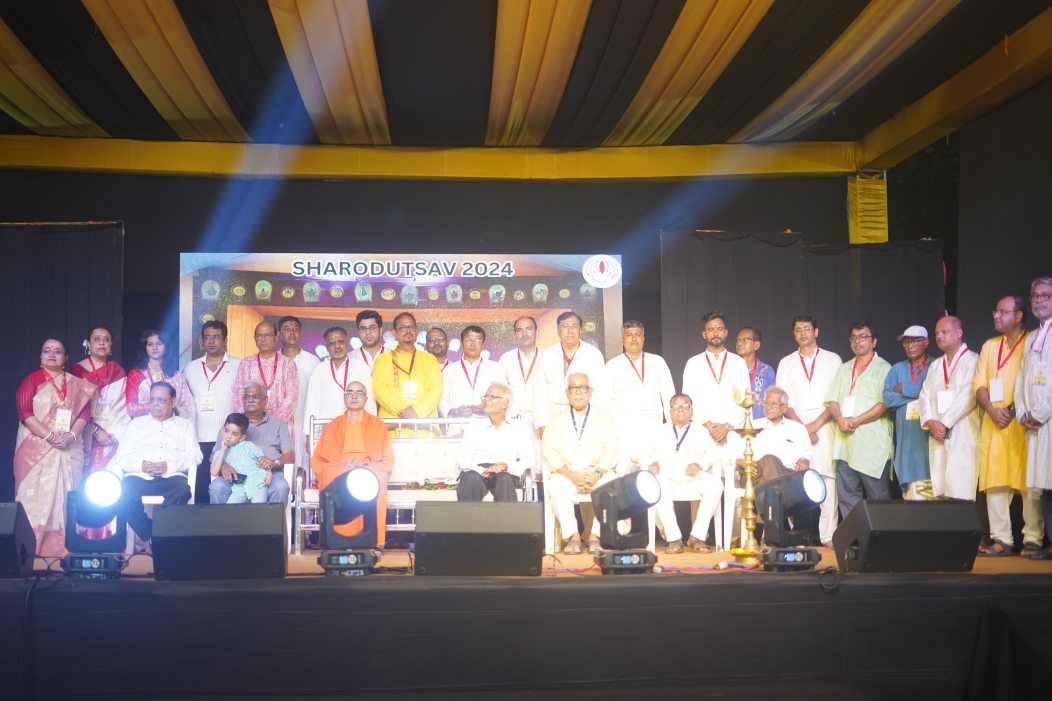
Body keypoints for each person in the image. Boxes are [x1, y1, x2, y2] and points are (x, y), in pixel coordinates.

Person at [14, 337, 95, 556]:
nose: (51, 354)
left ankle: (65, 546)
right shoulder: (31, 380)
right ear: (40, 355)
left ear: (66, 357)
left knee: (68, 496)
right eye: (47, 350)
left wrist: (70, 435)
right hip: (34, 450)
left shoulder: (77, 384)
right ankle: (28, 547)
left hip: (69, 448)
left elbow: (85, 412)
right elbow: (25, 413)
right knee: (33, 497)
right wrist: (50, 436)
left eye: (58, 351)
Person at [976, 296, 1042, 556]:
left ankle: (1033, 538)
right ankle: (1001, 539)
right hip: (995, 424)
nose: (996, 315)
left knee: (1029, 484)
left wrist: (1013, 410)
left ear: (1019, 316)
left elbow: (1036, 382)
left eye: (1002, 311)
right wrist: (992, 410)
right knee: (995, 483)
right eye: (995, 311)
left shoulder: (1034, 342)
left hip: (1025, 422)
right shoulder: (990, 346)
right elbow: (979, 384)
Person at [775, 316, 842, 546]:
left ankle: (828, 535)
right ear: (794, 335)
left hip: (826, 427)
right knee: (797, 480)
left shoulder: (833, 359)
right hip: (795, 429)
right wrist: (803, 429)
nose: (803, 333)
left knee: (828, 479)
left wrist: (815, 426)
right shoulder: (786, 363)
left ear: (816, 331)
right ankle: (797, 534)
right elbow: (784, 401)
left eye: (807, 328)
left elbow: (836, 398)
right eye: (798, 330)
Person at [112, 382, 201, 544]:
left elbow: (195, 455)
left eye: (161, 400)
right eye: (152, 399)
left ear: (173, 402)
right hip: (139, 476)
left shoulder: (185, 425)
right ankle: (156, 537)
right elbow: (121, 457)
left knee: (182, 491)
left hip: (171, 476)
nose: (155, 404)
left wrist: (169, 466)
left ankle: (160, 535)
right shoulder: (136, 424)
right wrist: (141, 465)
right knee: (121, 493)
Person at [633, 393, 722, 554]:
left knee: (716, 485)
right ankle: (674, 539)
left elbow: (715, 454)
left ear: (691, 411)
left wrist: (700, 464)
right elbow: (636, 453)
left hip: (693, 478)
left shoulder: (701, 431)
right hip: (667, 478)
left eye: (685, 406)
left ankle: (696, 537)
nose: (680, 410)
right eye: (675, 407)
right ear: (670, 411)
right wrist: (651, 461)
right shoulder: (660, 430)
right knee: (657, 484)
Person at [542, 372, 620, 555]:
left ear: (590, 391)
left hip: (597, 472)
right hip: (568, 474)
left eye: (583, 387)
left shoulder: (604, 417)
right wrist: (571, 475)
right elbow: (549, 450)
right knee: (556, 488)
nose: (578, 392)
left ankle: (595, 536)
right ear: (567, 393)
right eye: (573, 388)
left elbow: (612, 449)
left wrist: (596, 474)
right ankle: (573, 536)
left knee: (611, 486)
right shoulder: (556, 419)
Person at [311, 381, 394, 548]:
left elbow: (388, 460)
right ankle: (335, 538)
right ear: (344, 398)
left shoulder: (378, 425)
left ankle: (374, 540)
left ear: (366, 399)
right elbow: (318, 462)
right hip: (340, 468)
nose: (354, 396)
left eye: (359, 393)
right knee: (329, 472)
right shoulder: (332, 427)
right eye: (350, 392)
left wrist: (369, 467)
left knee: (378, 474)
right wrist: (341, 465)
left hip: (367, 469)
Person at [826, 322, 893, 520]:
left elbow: (884, 404)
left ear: (874, 341)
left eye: (863, 336)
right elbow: (832, 400)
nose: (857, 341)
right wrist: (839, 418)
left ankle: (882, 537)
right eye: (854, 337)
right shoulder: (844, 368)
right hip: (845, 445)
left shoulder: (884, 368)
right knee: (848, 499)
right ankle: (854, 538)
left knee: (878, 499)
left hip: (871, 445)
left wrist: (856, 421)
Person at [919, 317, 981, 501]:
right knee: (942, 490)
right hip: (938, 432)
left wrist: (944, 423)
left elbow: (969, 395)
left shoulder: (973, 360)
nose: (939, 336)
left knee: (961, 489)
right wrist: (930, 422)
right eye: (937, 333)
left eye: (944, 332)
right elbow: (924, 395)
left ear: (959, 332)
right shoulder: (936, 365)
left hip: (962, 431)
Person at [681, 311, 750, 474]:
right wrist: (711, 427)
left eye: (719, 329)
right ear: (704, 334)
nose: (716, 333)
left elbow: (744, 400)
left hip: (732, 432)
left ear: (726, 332)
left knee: (733, 479)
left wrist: (726, 426)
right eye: (711, 329)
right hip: (704, 431)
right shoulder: (693, 363)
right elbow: (689, 401)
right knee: (704, 479)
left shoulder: (738, 363)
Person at [208, 381, 294, 505]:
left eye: (255, 396)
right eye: (246, 397)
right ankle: (221, 519)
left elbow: (290, 456)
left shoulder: (278, 424)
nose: (250, 400)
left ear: (265, 400)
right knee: (216, 487)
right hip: (236, 476)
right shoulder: (231, 426)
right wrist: (224, 465)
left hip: (269, 474)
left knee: (281, 487)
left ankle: (274, 519)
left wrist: (273, 463)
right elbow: (214, 455)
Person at [182, 320, 240, 503]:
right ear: (202, 341)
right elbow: (183, 403)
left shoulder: (238, 365)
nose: (212, 341)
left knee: (224, 488)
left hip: (228, 441)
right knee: (200, 489)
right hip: (198, 437)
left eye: (216, 337)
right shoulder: (191, 368)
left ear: (225, 340)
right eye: (207, 337)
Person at [607, 321, 675, 473]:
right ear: (622, 339)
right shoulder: (612, 365)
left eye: (637, 335)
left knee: (654, 473)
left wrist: (671, 428)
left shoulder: (658, 362)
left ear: (644, 338)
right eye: (629, 335)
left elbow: (668, 396)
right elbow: (605, 401)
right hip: (623, 431)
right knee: (625, 474)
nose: (634, 339)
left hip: (653, 428)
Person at [1016, 277, 1052, 559]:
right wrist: (1023, 412)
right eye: (1035, 296)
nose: (1039, 300)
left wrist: (1039, 413)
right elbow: (1021, 379)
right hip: (1035, 425)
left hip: (1048, 420)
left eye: (1045, 295)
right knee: (1044, 487)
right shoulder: (1030, 338)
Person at [533, 312, 610, 438]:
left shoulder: (594, 354)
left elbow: (603, 392)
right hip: (553, 418)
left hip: (587, 420)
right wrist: (541, 424)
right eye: (565, 327)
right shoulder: (547, 355)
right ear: (558, 331)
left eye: (574, 327)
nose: (570, 331)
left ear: (580, 330)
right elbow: (538, 393)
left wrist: (600, 421)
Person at [455, 382, 534, 501]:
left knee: (504, 478)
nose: (487, 400)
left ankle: (506, 515)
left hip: (504, 472)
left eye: (492, 396)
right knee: (471, 477)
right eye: (486, 396)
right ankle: (468, 514)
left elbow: (529, 460)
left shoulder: (519, 427)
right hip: (477, 471)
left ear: (505, 403)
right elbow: (462, 459)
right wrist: (481, 471)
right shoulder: (474, 426)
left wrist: (507, 467)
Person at [304, 327, 375, 452]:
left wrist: (371, 429)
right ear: (326, 347)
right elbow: (311, 403)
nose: (337, 346)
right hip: (325, 431)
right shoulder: (319, 369)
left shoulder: (361, 367)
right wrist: (309, 434)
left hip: (356, 430)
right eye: (332, 343)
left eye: (341, 341)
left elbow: (369, 402)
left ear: (347, 343)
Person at [882, 325, 933, 500]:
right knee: (912, 502)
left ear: (926, 342)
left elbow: (936, 394)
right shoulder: (897, 369)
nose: (910, 346)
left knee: (933, 501)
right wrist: (921, 393)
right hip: (907, 446)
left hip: (930, 442)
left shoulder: (936, 365)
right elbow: (888, 400)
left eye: (915, 341)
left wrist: (904, 388)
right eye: (906, 342)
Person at [71, 324, 130, 476]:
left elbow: (123, 409)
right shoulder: (77, 371)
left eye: (106, 339)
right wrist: (95, 431)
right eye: (97, 339)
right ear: (88, 343)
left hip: (111, 435)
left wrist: (113, 434)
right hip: (83, 433)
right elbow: (74, 407)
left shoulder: (118, 371)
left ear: (111, 344)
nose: (102, 343)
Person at [372, 312, 442, 432]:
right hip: (393, 426)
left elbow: (436, 390)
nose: (408, 330)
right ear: (394, 333)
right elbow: (379, 390)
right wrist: (403, 410)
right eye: (403, 327)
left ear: (416, 332)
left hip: (424, 427)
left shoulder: (430, 359)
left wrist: (417, 411)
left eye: (411, 327)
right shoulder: (382, 360)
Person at [233, 321, 298, 441]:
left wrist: (273, 423)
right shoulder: (245, 364)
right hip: (251, 427)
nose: (263, 339)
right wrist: (251, 421)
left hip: (281, 426)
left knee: (281, 453)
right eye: (259, 336)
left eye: (267, 335)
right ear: (255, 338)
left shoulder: (288, 364)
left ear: (276, 337)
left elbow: (291, 398)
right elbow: (238, 397)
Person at [739, 386, 813, 485]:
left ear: (785, 408)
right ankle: (779, 493)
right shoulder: (752, 426)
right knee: (770, 460)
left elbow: (804, 453)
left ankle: (774, 493)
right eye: (766, 403)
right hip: (755, 473)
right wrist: (744, 463)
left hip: (787, 474)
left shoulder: (798, 429)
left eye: (774, 404)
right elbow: (734, 454)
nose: (769, 407)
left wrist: (804, 460)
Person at [440, 326, 507, 431]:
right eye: (468, 340)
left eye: (477, 340)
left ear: (483, 345)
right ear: (461, 344)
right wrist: (456, 411)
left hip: (489, 427)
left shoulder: (496, 368)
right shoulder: (449, 370)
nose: (472, 344)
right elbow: (441, 399)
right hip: (459, 426)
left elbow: (505, 398)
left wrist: (488, 407)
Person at [126, 329, 195, 423]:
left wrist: (172, 410)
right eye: (150, 344)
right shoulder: (136, 374)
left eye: (159, 343)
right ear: (145, 348)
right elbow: (131, 409)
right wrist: (160, 405)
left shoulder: (176, 376)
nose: (155, 347)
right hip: (145, 426)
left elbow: (188, 407)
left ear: (166, 347)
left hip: (172, 425)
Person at [279, 315, 320, 470]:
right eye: (287, 329)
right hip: (280, 425)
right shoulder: (274, 361)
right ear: (279, 334)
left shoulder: (313, 361)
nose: (292, 333)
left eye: (296, 329)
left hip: (304, 422)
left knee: (305, 467)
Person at [209, 413, 268, 503]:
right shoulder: (220, 453)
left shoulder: (249, 446)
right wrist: (223, 450)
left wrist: (268, 472)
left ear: (241, 437)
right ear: (222, 430)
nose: (228, 436)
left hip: (258, 484)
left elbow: (262, 461)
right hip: (239, 488)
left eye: (234, 434)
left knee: (258, 507)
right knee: (231, 508)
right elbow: (214, 472)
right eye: (226, 431)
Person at [499, 316, 544, 432]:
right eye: (519, 330)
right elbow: (500, 391)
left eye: (529, 329)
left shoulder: (547, 357)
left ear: (537, 333)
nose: (524, 334)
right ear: (515, 336)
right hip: (512, 418)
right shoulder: (506, 358)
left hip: (541, 420)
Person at [735, 327, 776, 420]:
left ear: (756, 345)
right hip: (735, 425)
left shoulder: (767, 371)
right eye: (738, 340)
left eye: (745, 339)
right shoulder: (730, 369)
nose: (739, 343)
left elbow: (774, 402)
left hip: (761, 425)